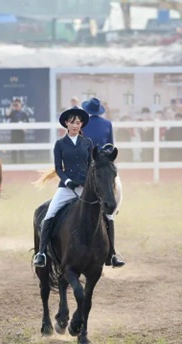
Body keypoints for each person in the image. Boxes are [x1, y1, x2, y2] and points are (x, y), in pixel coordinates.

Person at [33, 106, 124, 268]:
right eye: (72, 122)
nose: (75, 125)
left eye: (78, 123)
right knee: (50, 213)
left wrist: (88, 181)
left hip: (85, 187)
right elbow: (58, 168)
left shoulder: (87, 143)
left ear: (81, 125)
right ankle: (41, 253)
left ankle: (112, 254)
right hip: (66, 187)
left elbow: (91, 165)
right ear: (66, 124)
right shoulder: (60, 144)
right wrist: (67, 181)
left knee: (108, 216)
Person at [81, 97, 125, 267]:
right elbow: (111, 147)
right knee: (110, 213)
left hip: (88, 167)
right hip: (105, 166)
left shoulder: (83, 124)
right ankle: (112, 253)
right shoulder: (107, 124)